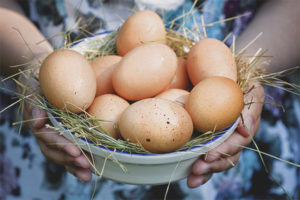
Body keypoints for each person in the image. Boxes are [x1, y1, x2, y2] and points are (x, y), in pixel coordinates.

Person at [0, 0, 299, 199]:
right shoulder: (103, 82)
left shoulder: (199, 86)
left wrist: (247, 69)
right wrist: (34, 62)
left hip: (230, 148)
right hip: (52, 146)